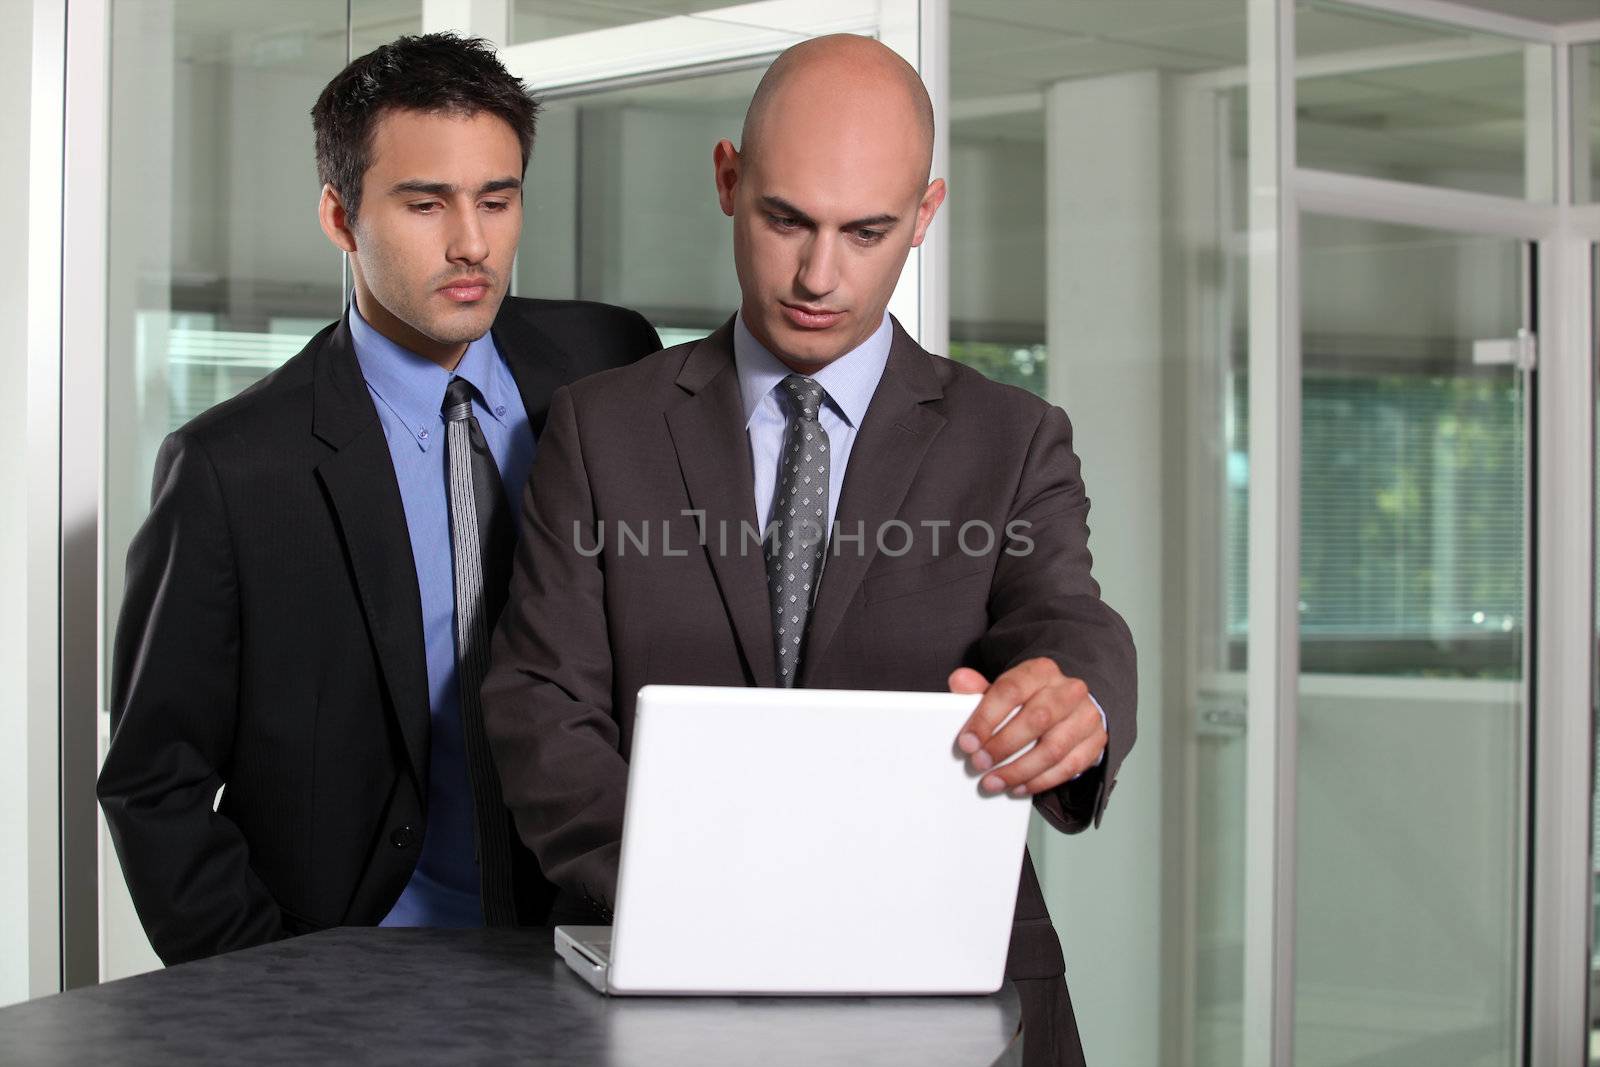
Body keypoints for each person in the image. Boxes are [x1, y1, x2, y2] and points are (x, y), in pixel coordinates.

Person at [480, 33, 1135, 1067]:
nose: (817, 274)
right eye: (786, 219)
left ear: (924, 215)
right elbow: (539, 704)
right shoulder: (598, 428)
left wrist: (1074, 692)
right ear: (728, 181)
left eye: (866, 231)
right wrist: (704, 890)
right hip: (664, 986)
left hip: (957, 986)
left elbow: (1064, 616)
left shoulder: (1011, 437)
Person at [97, 33, 660, 965]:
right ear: (340, 215)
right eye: (425, 202)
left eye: (497, 198)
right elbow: (155, 778)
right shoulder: (232, 467)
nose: (472, 242)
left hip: (603, 939)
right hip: (362, 960)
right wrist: (265, 984)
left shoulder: (611, 357)